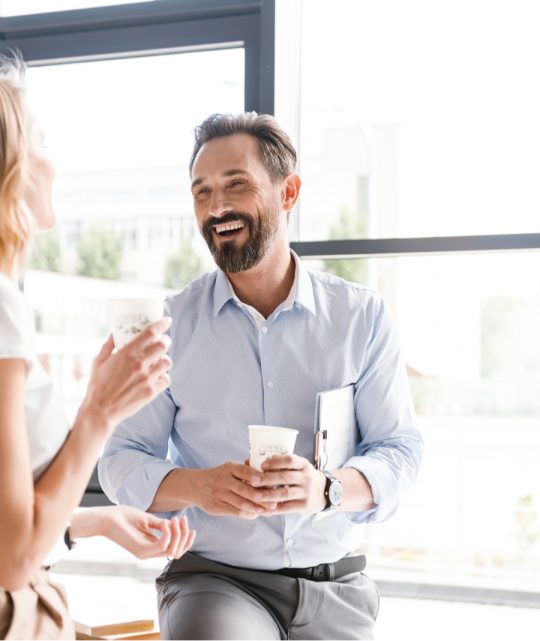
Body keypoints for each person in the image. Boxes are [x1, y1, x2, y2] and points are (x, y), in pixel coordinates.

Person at [0, 65, 195, 640]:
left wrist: (96, 521)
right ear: (2, 165)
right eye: (41, 142)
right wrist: (99, 413)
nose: (53, 161)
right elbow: (10, 558)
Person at [99, 112, 423, 640]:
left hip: (335, 586)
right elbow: (119, 461)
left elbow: (399, 450)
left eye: (236, 186)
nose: (216, 208)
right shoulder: (171, 326)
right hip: (215, 581)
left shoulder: (360, 318)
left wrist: (328, 490)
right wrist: (197, 486)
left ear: (288, 192)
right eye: (201, 192)